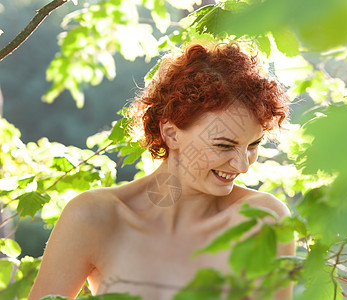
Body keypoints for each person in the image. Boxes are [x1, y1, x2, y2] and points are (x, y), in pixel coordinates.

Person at [28, 42, 295, 300]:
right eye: (224, 146)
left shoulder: (263, 221)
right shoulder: (93, 217)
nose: (243, 165)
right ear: (171, 134)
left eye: (253, 144)